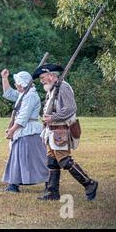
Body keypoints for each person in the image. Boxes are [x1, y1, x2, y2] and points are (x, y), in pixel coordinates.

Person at [33, 63, 98, 201]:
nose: (41, 80)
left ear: (51, 76)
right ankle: (52, 192)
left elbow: (70, 108)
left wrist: (53, 117)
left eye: (43, 77)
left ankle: (89, 183)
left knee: (64, 161)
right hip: (51, 131)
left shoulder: (63, 87)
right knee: (52, 161)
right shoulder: (51, 89)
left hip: (61, 130)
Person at [0, 69, 49, 192]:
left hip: (29, 131)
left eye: (17, 83)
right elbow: (9, 93)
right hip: (23, 131)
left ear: (22, 84)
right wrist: (4, 78)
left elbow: (23, 116)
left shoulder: (30, 96)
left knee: (37, 160)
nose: (16, 85)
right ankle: (14, 184)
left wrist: (12, 130)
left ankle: (50, 183)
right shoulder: (23, 94)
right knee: (17, 157)